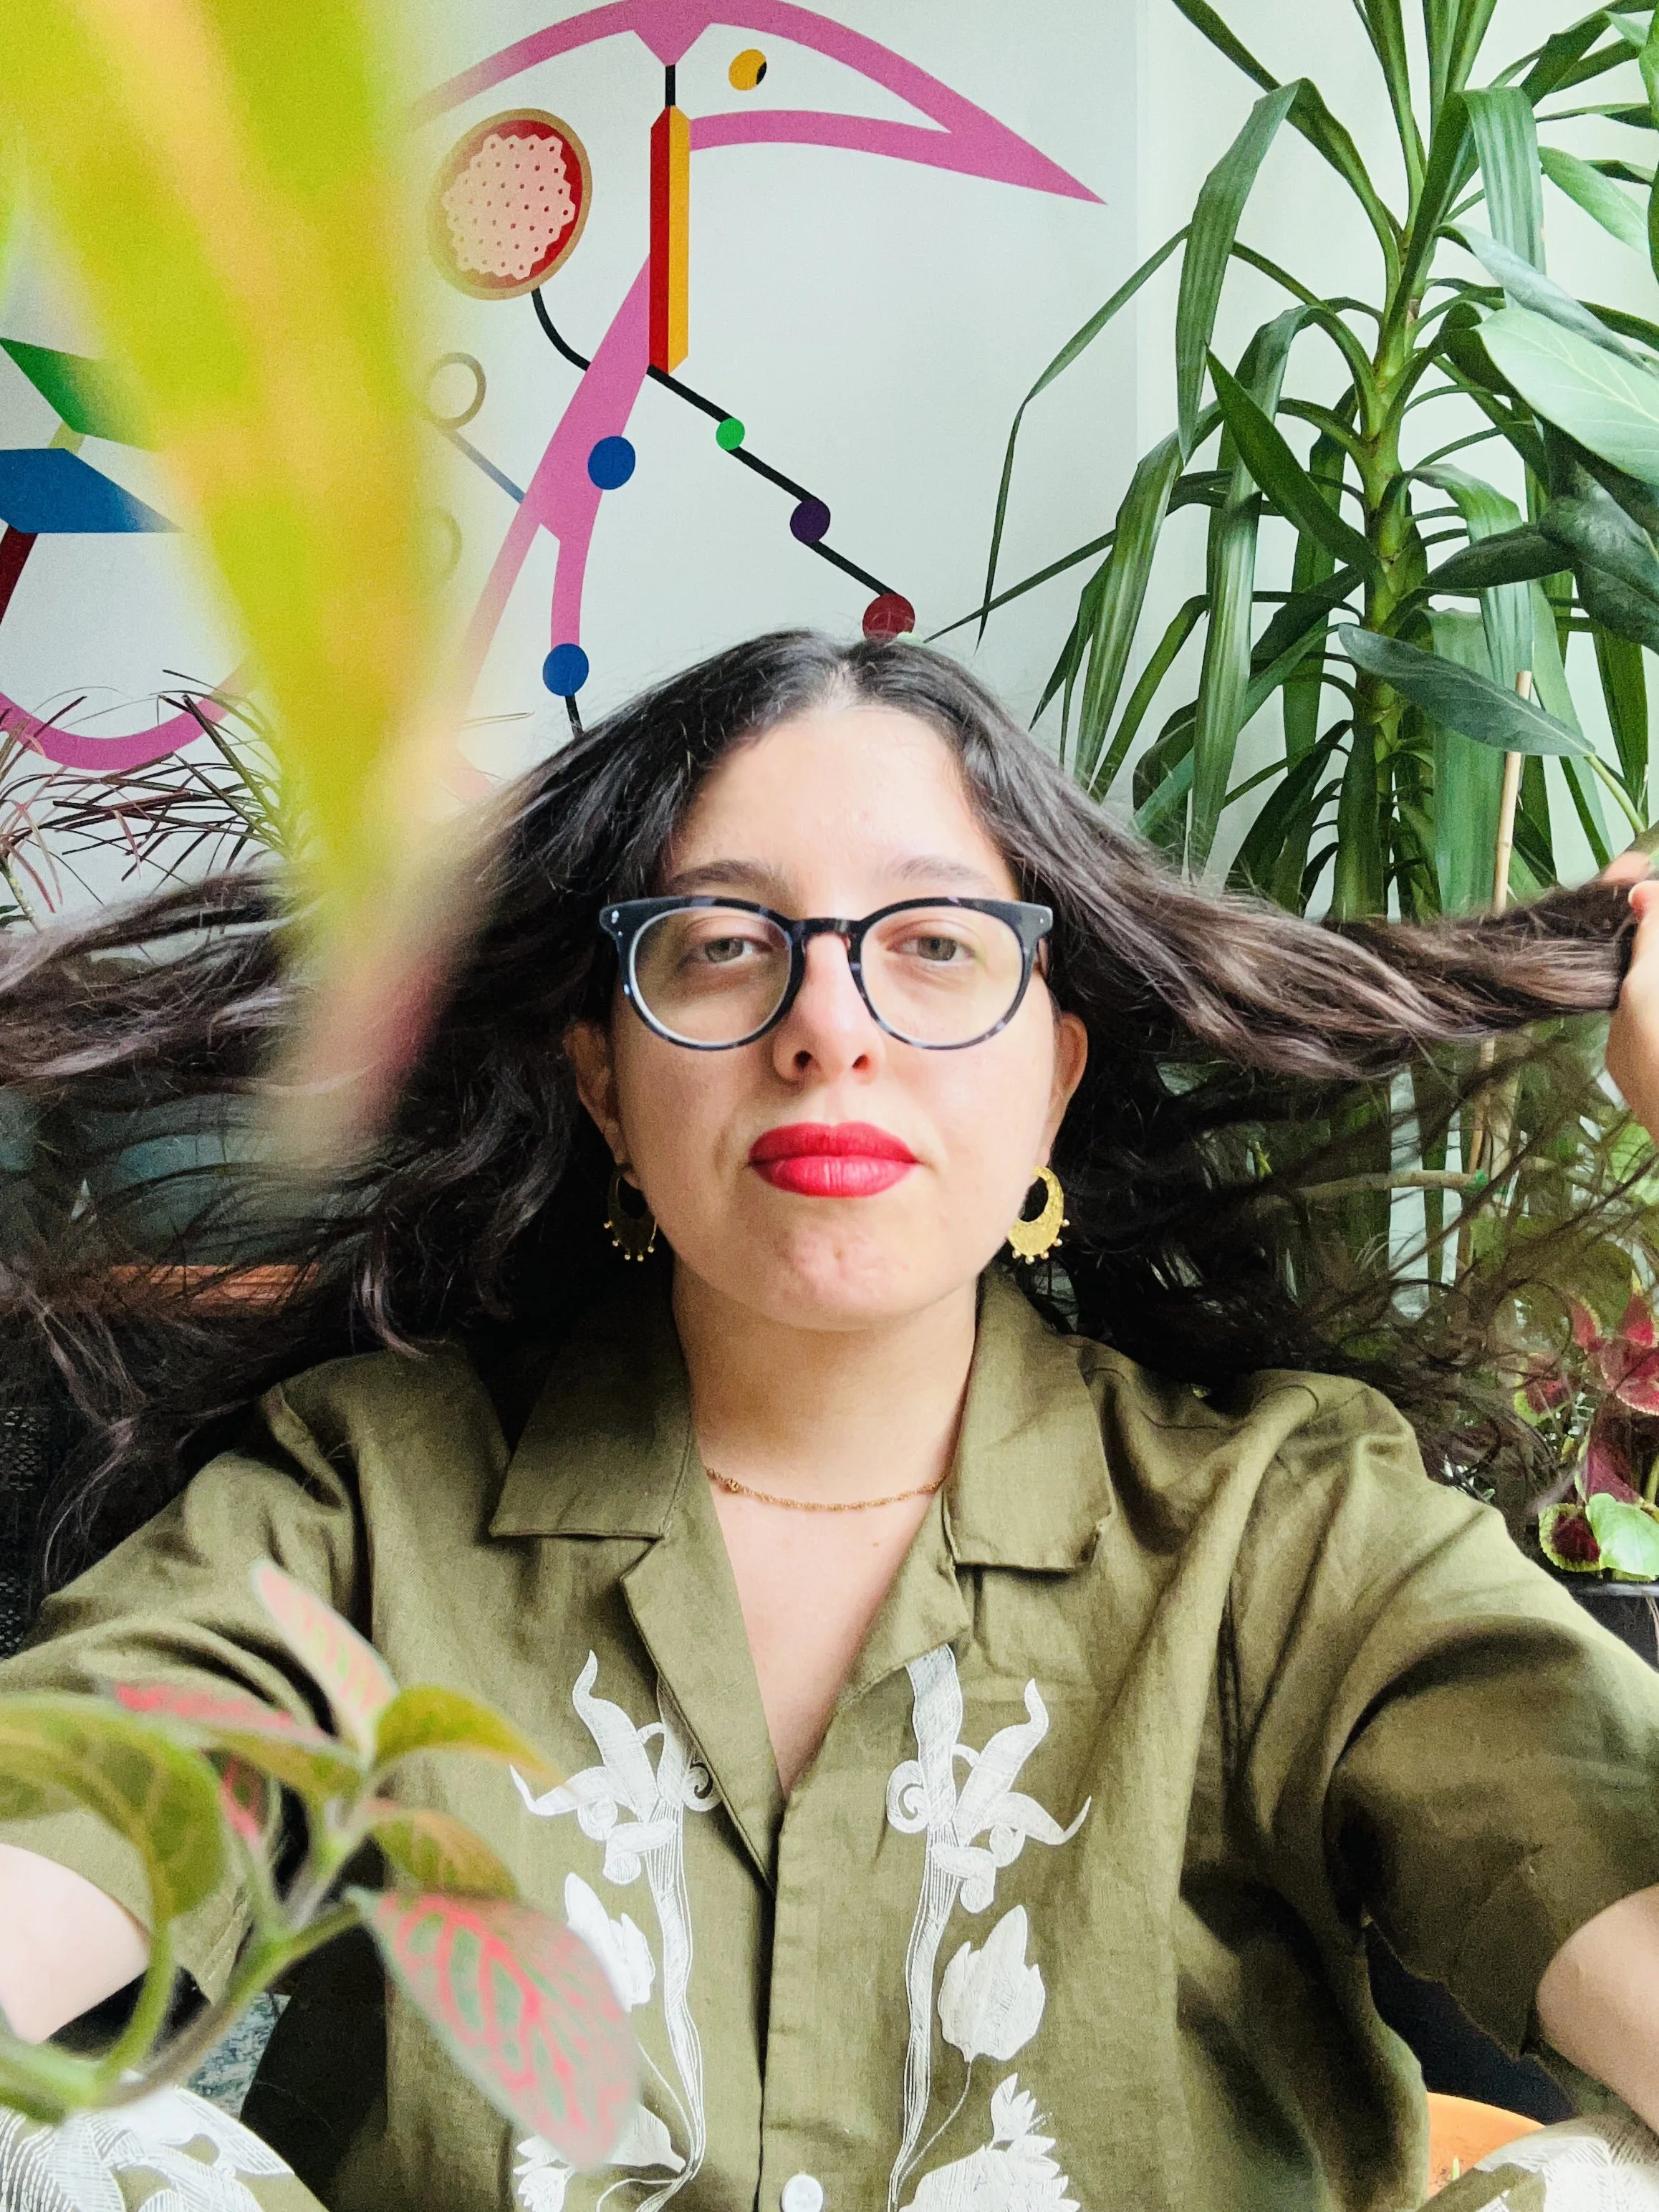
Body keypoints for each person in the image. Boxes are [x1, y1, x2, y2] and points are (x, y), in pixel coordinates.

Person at [2, 629, 1659, 2212]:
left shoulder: (1293, 1529)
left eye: (936, 943)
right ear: (606, 1082)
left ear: (1054, 1077)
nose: (828, 1026)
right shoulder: (357, 1505)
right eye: (724, 943)